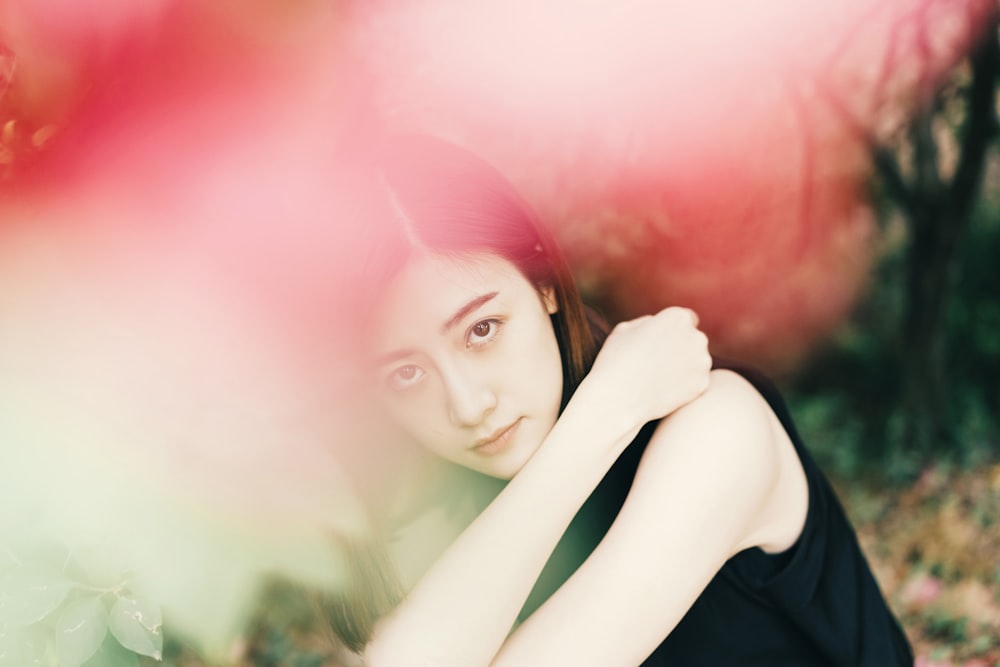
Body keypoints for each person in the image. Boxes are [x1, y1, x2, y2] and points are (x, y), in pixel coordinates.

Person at [324, 133, 914, 666]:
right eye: (405, 373)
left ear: (545, 285)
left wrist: (610, 411)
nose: (468, 405)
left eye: (482, 330)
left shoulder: (717, 427)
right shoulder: (423, 514)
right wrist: (605, 411)